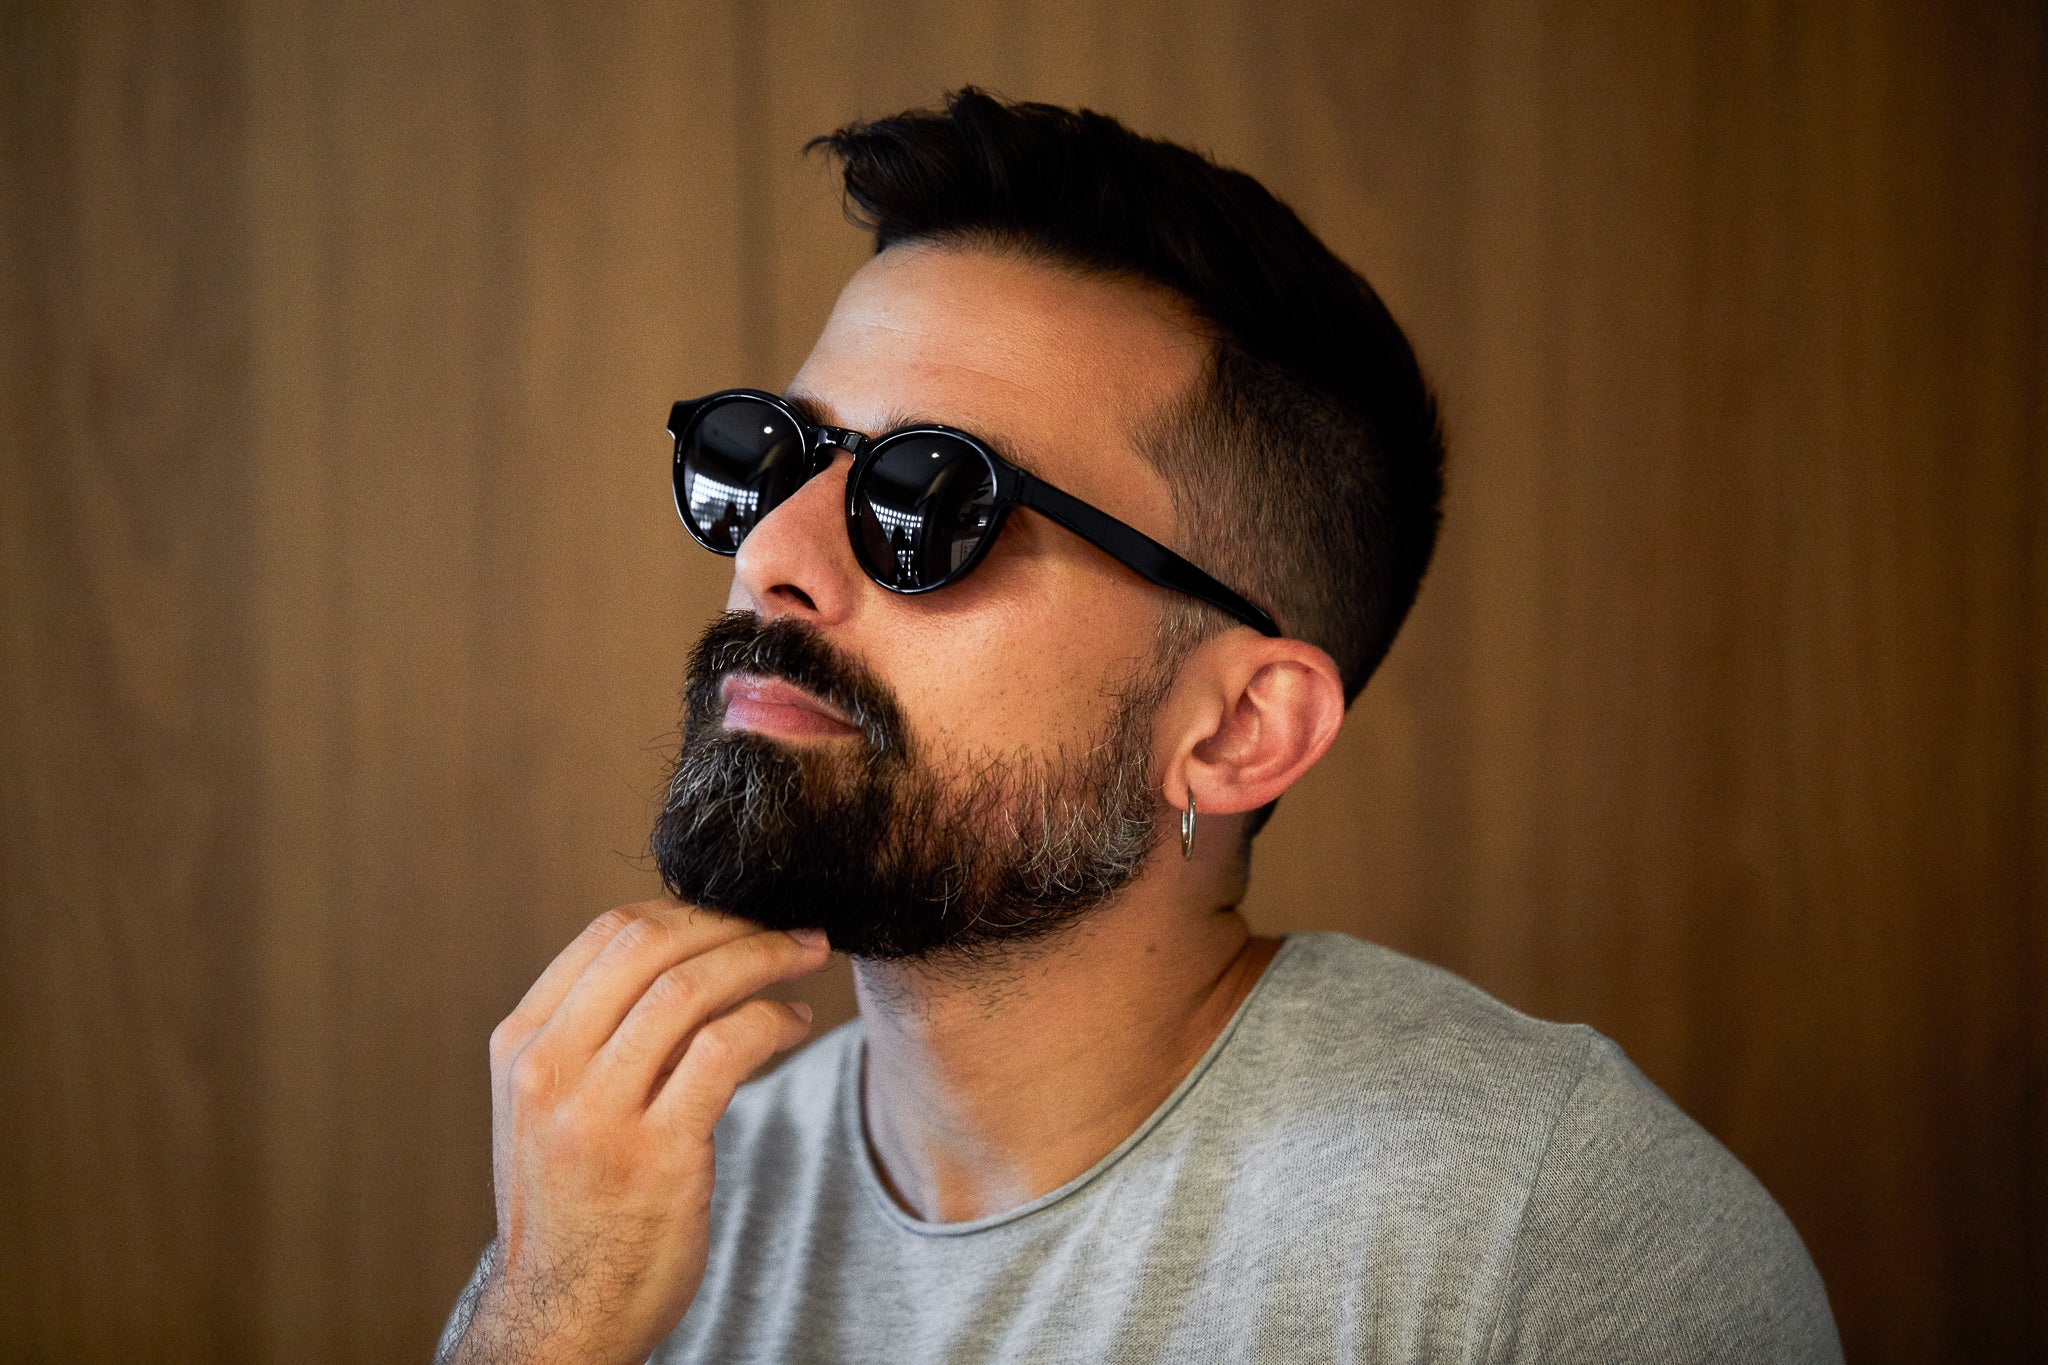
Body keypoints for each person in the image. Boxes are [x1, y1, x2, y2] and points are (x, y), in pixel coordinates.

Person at [435, 90, 1840, 1364]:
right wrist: (548, 1320)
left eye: (928, 499)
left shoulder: (1544, 1240)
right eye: (769, 456)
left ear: (1237, 730)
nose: (772, 557)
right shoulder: (633, 1212)